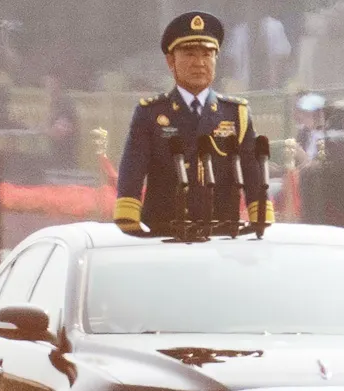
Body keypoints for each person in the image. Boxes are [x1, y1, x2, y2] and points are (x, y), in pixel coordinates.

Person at [114, 12, 272, 235]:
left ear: (216, 59)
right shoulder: (151, 114)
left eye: (207, 54)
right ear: (171, 61)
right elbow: (133, 166)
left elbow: (250, 167)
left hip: (222, 235)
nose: (199, 63)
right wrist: (128, 213)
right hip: (165, 233)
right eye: (189, 54)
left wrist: (260, 214)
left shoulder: (236, 114)